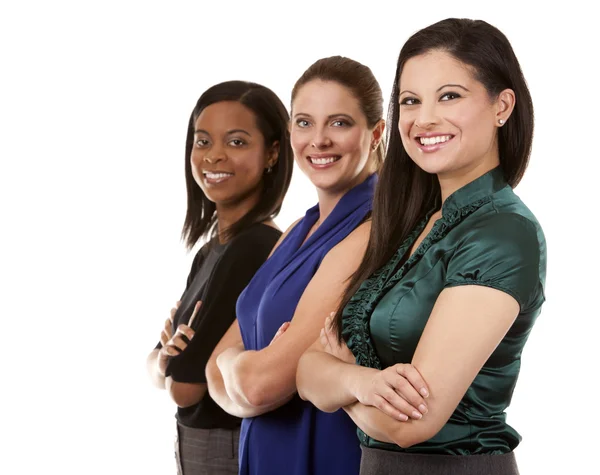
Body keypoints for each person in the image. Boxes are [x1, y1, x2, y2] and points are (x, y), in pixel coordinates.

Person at [297, 18, 546, 475]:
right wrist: (360, 380)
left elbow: (412, 425)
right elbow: (305, 373)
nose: (424, 118)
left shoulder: (504, 234)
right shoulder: (410, 224)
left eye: (449, 95)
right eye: (410, 101)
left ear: (502, 106)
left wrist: (340, 382)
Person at [205, 56, 389, 475]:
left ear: (376, 133)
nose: (318, 140)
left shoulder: (371, 231)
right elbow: (214, 368)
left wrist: (240, 367)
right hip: (264, 455)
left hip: (321, 457)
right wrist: (239, 366)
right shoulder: (294, 231)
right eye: (305, 123)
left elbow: (257, 385)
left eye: (339, 123)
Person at [146, 80, 293, 475]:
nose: (213, 157)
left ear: (272, 153)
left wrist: (166, 364)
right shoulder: (211, 251)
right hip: (198, 444)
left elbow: (183, 387)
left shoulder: (256, 248)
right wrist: (165, 361)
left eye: (237, 142)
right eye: (203, 141)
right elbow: (157, 363)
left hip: (226, 446)